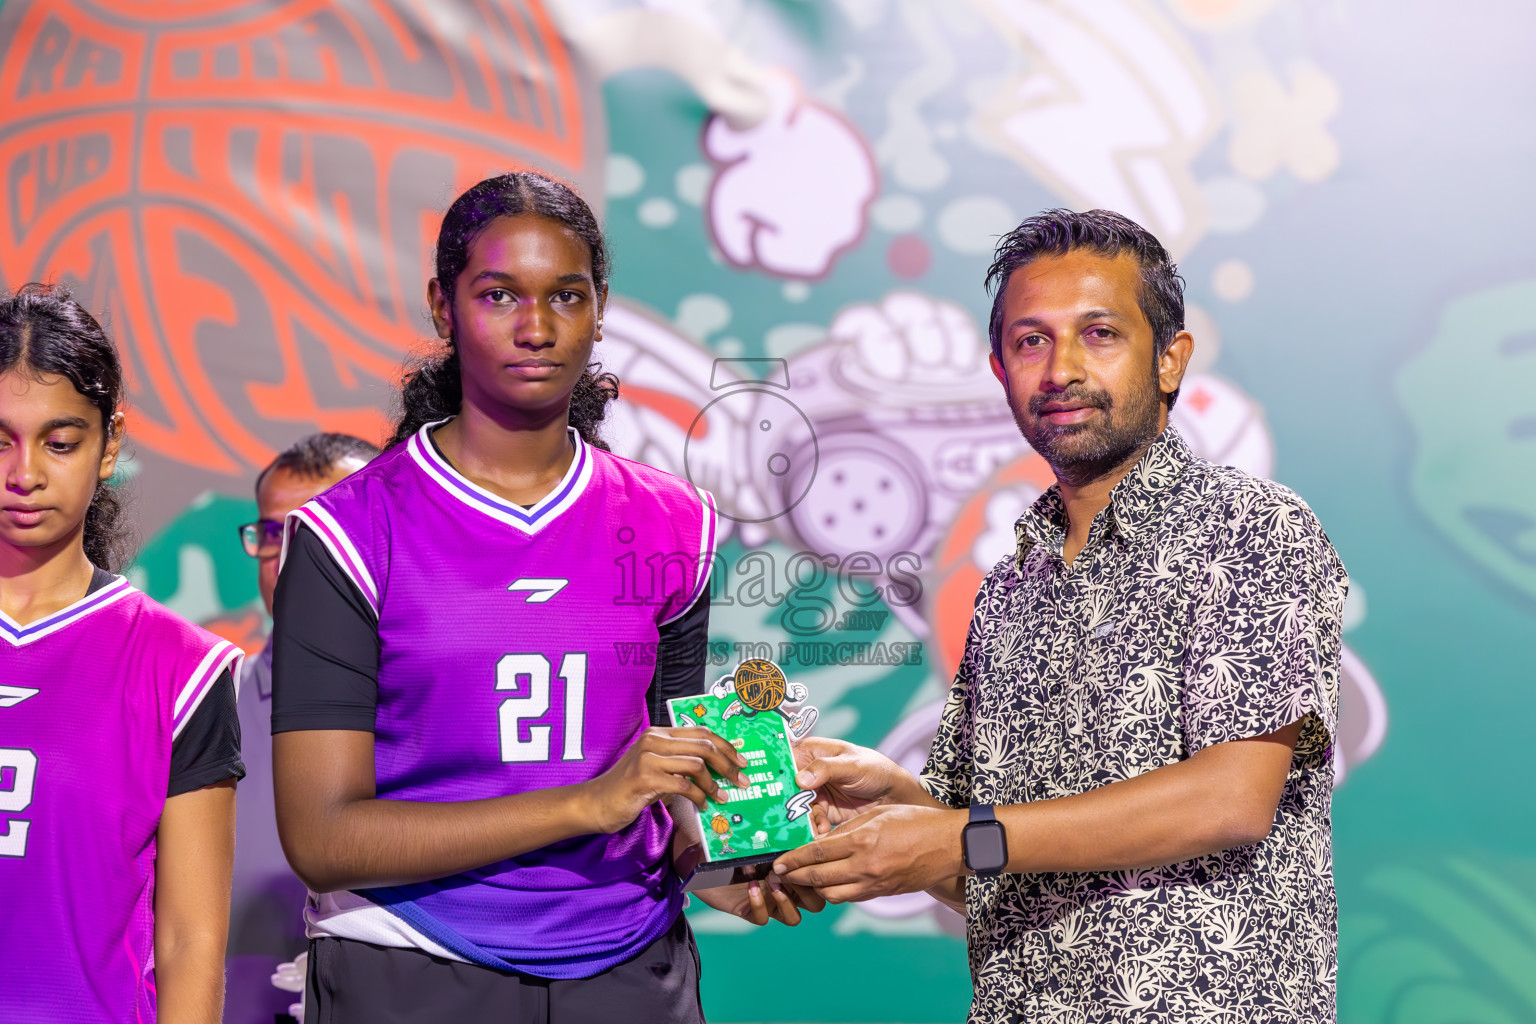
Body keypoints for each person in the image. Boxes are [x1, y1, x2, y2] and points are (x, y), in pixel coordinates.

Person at [269, 171, 815, 1024]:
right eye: (498, 295)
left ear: (600, 310)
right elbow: (322, 839)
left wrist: (728, 858)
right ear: (443, 310)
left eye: (566, 295)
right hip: (411, 959)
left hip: (632, 962)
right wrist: (587, 803)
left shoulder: (677, 523)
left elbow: (670, 776)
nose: (536, 326)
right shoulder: (347, 533)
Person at [775, 210, 1345, 1022]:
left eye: (1100, 334)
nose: (1060, 369)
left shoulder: (1251, 526)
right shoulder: (1009, 587)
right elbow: (989, 864)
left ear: (1171, 360)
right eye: (1030, 341)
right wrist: (893, 801)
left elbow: (1230, 800)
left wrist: (954, 837)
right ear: (998, 366)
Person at [0, 284, 245, 1023]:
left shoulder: (182, 667)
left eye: (60, 441)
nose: (25, 473)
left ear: (109, 446)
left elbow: (189, 941)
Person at [227, 433, 378, 1024]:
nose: (292, 558)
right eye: (274, 534)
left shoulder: (453, 711)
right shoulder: (199, 706)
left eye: (321, 531)